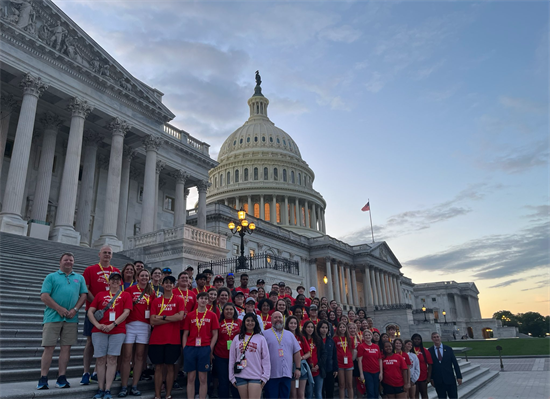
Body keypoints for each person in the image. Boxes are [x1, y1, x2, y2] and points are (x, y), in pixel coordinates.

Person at [37, 252, 87, 390]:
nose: (69, 262)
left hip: (71, 318)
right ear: (60, 262)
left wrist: (75, 309)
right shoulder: (51, 277)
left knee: (66, 348)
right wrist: (58, 308)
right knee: (49, 348)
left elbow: (83, 295)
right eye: (66, 260)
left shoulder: (79, 278)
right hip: (52, 317)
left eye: (71, 260)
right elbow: (44, 296)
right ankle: (43, 377)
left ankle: (62, 377)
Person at [88, 272, 132, 399]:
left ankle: (108, 389)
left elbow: (126, 312)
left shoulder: (125, 295)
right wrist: (96, 325)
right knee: (101, 359)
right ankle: (100, 388)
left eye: (118, 280)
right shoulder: (101, 294)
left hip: (117, 330)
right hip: (99, 330)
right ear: (109, 281)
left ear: (121, 282)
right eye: (113, 279)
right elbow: (91, 311)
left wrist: (113, 324)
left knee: (112, 359)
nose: (115, 282)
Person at [81, 246, 121, 385]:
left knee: (107, 342)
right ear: (99, 254)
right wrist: (96, 303)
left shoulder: (115, 271)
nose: (107, 255)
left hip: (111, 313)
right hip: (94, 311)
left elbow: (119, 291)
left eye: (109, 253)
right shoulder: (90, 270)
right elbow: (85, 288)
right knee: (90, 341)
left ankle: (98, 372)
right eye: (105, 252)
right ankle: (86, 371)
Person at [149, 275, 184, 399]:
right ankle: (158, 395)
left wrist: (162, 317)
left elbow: (180, 317)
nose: (168, 285)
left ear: (174, 286)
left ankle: (168, 395)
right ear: (162, 285)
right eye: (166, 282)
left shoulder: (179, 300)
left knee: (170, 367)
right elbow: (152, 320)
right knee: (158, 367)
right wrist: (171, 318)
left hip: (173, 339)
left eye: (171, 283)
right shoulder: (156, 301)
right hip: (157, 339)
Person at [119, 269, 153, 397]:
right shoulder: (129, 291)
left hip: (145, 326)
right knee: (127, 356)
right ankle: (123, 386)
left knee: (139, 356)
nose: (144, 278)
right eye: (142, 276)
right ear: (137, 278)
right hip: (130, 324)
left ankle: (134, 385)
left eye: (146, 276)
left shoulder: (151, 292)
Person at [182, 291, 220, 399]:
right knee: (191, 378)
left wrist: (209, 348)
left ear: (208, 301)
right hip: (190, 348)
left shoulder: (212, 315)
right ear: (197, 300)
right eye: (201, 298)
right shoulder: (190, 315)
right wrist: (185, 348)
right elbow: (185, 333)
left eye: (205, 298)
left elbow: (215, 334)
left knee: (203, 378)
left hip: (204, 348)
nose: (203, 300)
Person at [229, 313, 271, 399]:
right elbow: (232, 358)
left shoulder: (261, 338)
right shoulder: (237, 338)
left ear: (256, 323)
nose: (250, 323)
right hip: (240, 376)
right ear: (244, 322)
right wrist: (231, 377)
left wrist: (265, 376)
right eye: (248, 320)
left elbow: (266, 358)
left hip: (256, 376)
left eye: (252, 321)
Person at [263, 311, 302, 399]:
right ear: (271, 319)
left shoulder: (290, 334)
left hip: (286, 374)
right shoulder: (264, 334)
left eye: (280, 317)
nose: (278, 320)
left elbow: (296, 352)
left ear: (283, 319)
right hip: (271, 374)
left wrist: (298, 368)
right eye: (275, 317)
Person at [213, 303, 241, 399]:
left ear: (234, 311)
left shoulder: (239, 322)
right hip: (221, 356)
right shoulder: (218, 322)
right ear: (223, 311)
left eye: (231, 309)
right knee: (223, 380)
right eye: (227, 309)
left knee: (236, 380)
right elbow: (214, 338)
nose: (229, 311)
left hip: (237, 357)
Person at [428, 332, 462, 399]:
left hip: (450, 379)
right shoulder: (430, 350)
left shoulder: (448, 349)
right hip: (438, 380)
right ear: (432, 339)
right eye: (434, 337)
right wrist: (431, 378)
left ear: (440, 338)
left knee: (453, 397)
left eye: (437, 337)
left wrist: (459, 376)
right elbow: (430, 366)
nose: (436, 338)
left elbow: (455, 363)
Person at [285, 316, 309, 399]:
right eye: (291, 323)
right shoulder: (284, 337)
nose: (293, 325)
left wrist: (301, 358)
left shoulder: (301, 337)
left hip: (301, 367)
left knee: (301, 394)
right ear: (287, 324)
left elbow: (308, 353)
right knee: (293, 394)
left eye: (295, 323)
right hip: (289, 366)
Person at [357, 329, 383, 399]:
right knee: (370, 391)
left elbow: (380, 359)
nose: (368, 336)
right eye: (366, 335)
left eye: (369, 335)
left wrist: (381, 373)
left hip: (376, 371)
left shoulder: (376, 346)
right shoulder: (362, 346)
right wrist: (361, 374)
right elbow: (360, 360)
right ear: (363, 337)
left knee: (376, 391)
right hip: (367, 371)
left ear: (371, 336)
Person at [302, 320, 324, 399]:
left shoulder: (318, 339)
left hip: (318, 370)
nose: (310, 329)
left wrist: (318, 365)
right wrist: (311, 367)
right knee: (309, 393)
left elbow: (323, 354)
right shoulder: (302, 339)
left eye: (312, 327)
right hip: (307, 370)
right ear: (304, 328)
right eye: (308, 327)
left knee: (318, 393)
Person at [317, 321, 337, 399]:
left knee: (330, 391)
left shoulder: (331, 341)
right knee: (320, 391)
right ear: (319, 329)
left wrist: (335, 368)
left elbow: (334, 355)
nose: (324, 330)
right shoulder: (316, 340)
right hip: (319, 369)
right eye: (322, 327)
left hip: (330, 368)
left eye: (326, 328)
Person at [334, 321, 353, 399]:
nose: (342, 329)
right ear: (338, 328)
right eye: (340, 327)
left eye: (344, 327)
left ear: (346, 328)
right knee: (341, 384)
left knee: (349, 384)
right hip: (339, 363)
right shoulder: (335, 338)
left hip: (349, 363)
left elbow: (351, 349)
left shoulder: (350, 338)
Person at [411, 333, 433, 399]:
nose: (417, 341)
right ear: (412, 340)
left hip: (423, 376)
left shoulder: (425, 351)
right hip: (413, 376)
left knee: (424, 394)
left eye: (418, 339)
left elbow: (430, 364)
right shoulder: (410, 350)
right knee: (415, 395)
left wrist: (429, 377)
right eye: (415, 339)